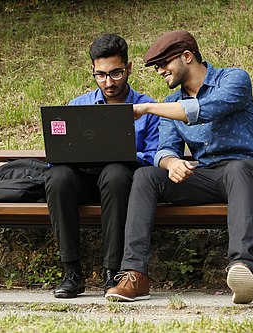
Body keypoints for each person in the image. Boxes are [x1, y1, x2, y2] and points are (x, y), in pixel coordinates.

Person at [105, 30, 253, 304]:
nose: (160, 71)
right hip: (209, 177)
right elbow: (164, 149)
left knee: (236, 169)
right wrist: (171, 163)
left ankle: (241, 267)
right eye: (156, 66)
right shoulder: (170, 104)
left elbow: (204, 110)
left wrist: (147, 107)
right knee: (146, 175)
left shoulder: (233, 79)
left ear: (187, 56)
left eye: (164, 64)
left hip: (252, 175)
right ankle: (135, 275)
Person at [45, 33, 159, 298]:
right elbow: (56, 155)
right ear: (93, 71)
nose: (108, 82)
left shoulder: (147, 107)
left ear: (129, 68)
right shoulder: (78, 106)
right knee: (58, 177)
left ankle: (112, 272)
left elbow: (154, 155)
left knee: (116, 172)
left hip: (121, 185)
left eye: (116, 73)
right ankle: (72, 271)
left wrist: (126, 153)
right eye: (101, 75)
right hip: (84, 180)